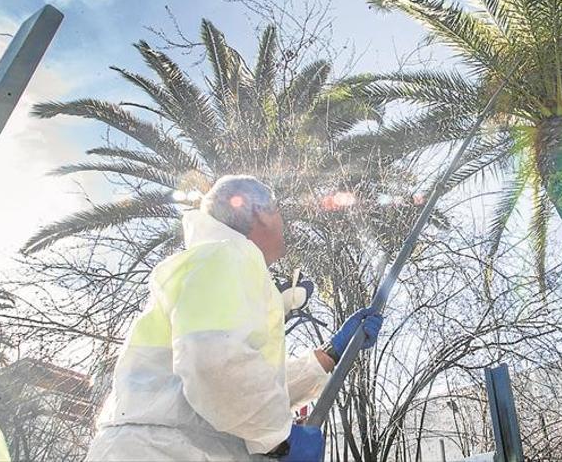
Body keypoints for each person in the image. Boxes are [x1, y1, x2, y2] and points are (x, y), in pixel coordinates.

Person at [85, 175, 382, 461]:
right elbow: (214, 365)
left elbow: (246, 382)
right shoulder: (225, 257)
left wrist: (332, 353)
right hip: (166, 451)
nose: (284, 223)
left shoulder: (214, 263)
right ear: (262, 213)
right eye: (279, 212)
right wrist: (281, 438)